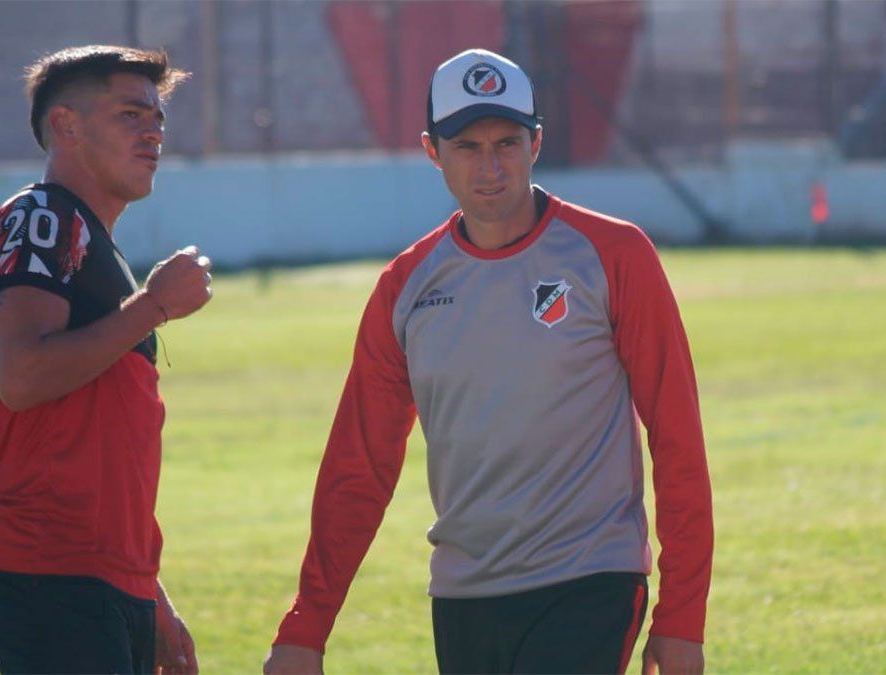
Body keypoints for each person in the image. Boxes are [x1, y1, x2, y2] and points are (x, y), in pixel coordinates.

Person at [263, 48, 712, 675]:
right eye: (468, 146)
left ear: (536, 144)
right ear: (431, 151)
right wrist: (305, 626)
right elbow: (358, 466)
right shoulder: (405, 287)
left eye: (507, 142)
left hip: (591, 581)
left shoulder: (614, 254)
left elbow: (678, 438)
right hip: (463, 597)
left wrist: (682, 620)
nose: (491, 165)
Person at [0, 45, 212, 674]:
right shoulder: (42, 217)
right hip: (50, 577)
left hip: (100, 581)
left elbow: (106, 449)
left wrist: (147, 590)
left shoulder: (91, 242)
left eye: (157, 118)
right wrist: (152, 306)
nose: (153, 131)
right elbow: (22, 378)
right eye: (131, 114)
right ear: (66, 126)